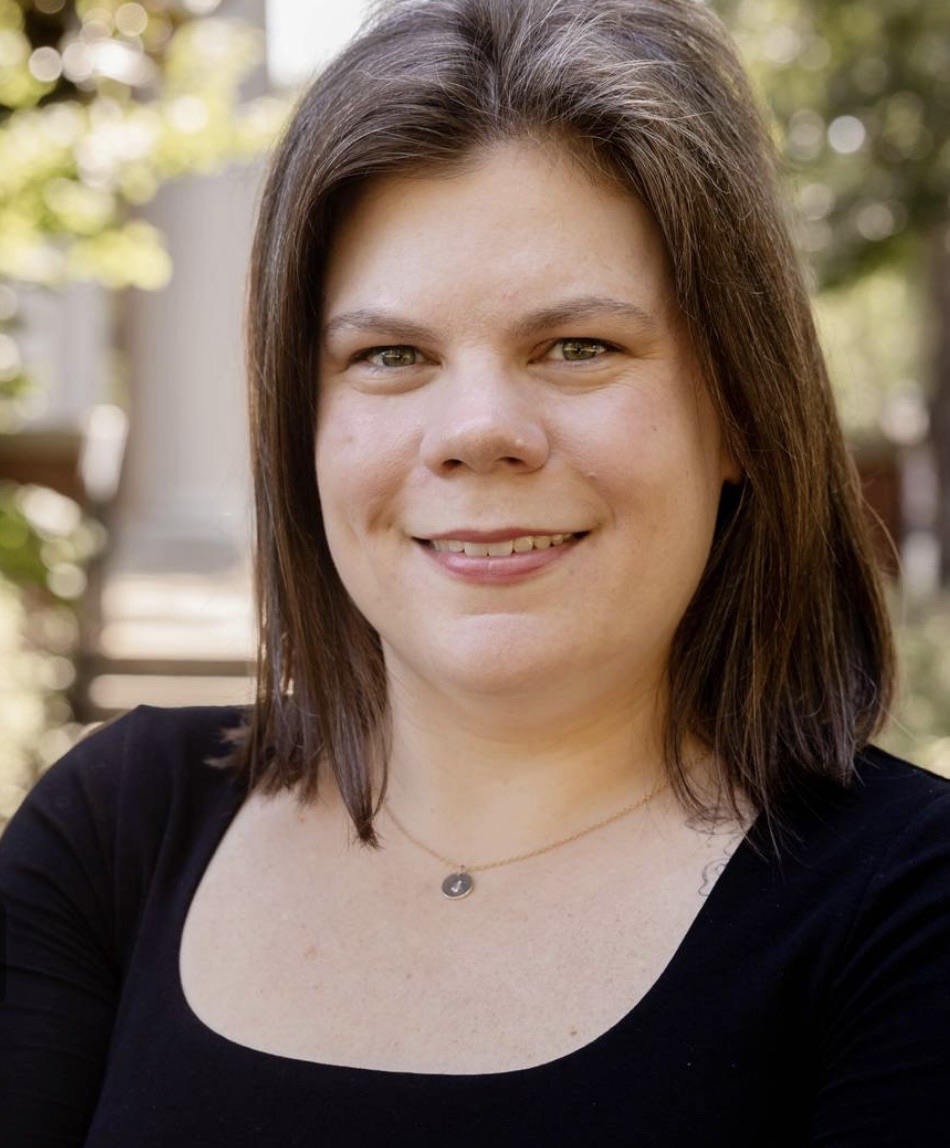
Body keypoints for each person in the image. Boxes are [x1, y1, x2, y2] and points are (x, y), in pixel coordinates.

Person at [2, 0, 949, 1143]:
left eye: (578, 347)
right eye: (389, 355)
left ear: (739, 407)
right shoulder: (115, 830)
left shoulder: (909, 909)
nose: (476, 428)